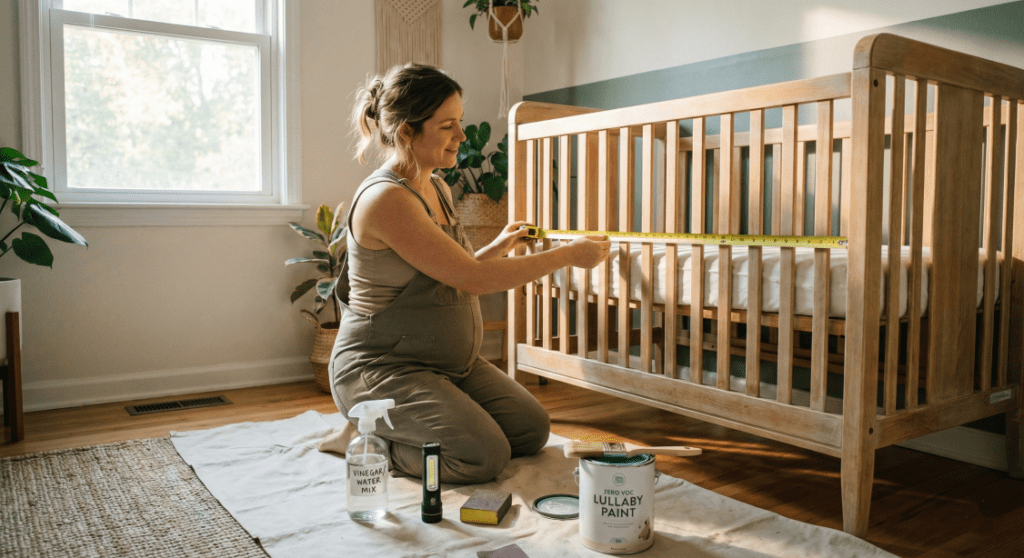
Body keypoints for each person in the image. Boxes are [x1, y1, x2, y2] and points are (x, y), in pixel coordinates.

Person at [326, 63, 610, 484]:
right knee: (482, 456)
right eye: (448, 126)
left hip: (447, 365)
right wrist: (568, 255)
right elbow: (473, 280)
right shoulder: (386, 200)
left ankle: (413, 420)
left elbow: (453, 267)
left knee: (530, 430)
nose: (461, 136)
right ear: (407, 132)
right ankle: (370, 438)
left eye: (460, 123)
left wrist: (501, 245)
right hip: (383, 368)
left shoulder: (436, 186)